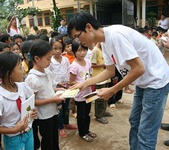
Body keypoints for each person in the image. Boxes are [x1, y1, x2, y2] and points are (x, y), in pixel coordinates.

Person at [67, 11, 169, 149]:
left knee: (146, 132)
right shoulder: (105, 42)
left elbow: (139, 69)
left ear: (89, 27)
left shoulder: (116, 36)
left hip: (156, 81)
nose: (79, 41)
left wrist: (113, 90)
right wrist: (84, 83)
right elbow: (110, 71)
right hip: (143, 81)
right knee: (135, 121)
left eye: (77, 36)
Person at [0, 51, 37, 150]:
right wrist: (14, 130)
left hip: (28, 132)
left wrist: (33, 111)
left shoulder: (22, 87)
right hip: (13, 139)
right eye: (19, 67)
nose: (23, 70)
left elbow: (29, 104)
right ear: (8, 73)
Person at [25, 40, 65, 150]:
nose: (50, 61)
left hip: (52, 111)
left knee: (54, 137)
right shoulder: (32, 78)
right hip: (43, 115)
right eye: (48, 59)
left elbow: (48, 88)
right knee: (47, 139)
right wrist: (52, 100)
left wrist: (58, 89)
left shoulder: (46, 71)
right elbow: (31, 101)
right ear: (37, 58)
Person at [49, 35, 77, 138]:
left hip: (66, 87)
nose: (57, 51)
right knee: (59, 108)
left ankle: (66, 123)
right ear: (51, 49)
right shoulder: (50, 61)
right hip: (57, 88)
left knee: (66, 107)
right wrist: (57, 83)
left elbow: (68, 70)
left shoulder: (65, 59)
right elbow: (49, 75)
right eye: (55, 48)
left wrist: (69, 82)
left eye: (60, 48)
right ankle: (60, 127)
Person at [69, 40, 97, 142]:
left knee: (88, 113)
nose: (82, 53)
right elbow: (71, 82)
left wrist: (91, 81)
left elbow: (90, 74)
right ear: (74, 52)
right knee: (81, 116)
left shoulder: (88, 62)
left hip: (89, 93)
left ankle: (87, 130)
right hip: (80, 96)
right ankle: (82, 133)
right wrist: (81, 85)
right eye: (79, 50)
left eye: (84, 50)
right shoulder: (74, 66)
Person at [90, 43, 112, 123]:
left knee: (105, 96)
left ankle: (103, 111)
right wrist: (104, 65)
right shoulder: (95, 50)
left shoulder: (103, 50)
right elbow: (92, 65)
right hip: (99, 78)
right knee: (99, 98)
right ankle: (98, 115)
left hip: (105, 78)